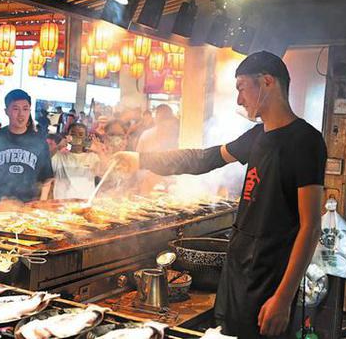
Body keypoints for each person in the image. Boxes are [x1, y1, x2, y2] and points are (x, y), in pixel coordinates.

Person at [112, 51, 326, 338]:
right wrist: (142, 160)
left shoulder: (305, 141)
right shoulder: (256, 136)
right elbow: (204, 159)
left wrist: (283, 297)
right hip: (238, 268)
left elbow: (310, 227)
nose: (239, 99)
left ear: (266, 82)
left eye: (241, 88)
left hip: (270, 275)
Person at [0, 89, 53, 212]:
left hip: (29, 209)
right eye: (15, 109)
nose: (21, 114)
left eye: (25, 109)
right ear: (6, 111)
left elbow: (46, 179)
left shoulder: (39, 142)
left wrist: (41, 206)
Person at [52, 123, 105, 200]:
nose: (76, 137)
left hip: (85, 203)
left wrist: (99, 152)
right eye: (73, 134)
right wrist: (58, 147)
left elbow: (104, 171)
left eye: (80, 135)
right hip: (61, 202)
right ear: (67, 136)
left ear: (86, 138)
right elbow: (45, 162)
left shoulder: (92, 157)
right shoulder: (59, 156)